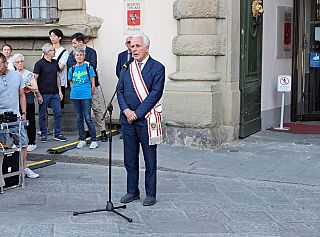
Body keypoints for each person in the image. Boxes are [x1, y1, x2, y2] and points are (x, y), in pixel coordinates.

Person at [117, 35, 165, 206]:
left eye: (138, 46)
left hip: (146, 120)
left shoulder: (158, 68)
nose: (134, 49)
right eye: (132, 46)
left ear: (146, 48)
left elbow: (155, 94)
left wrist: (137, 113)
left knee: (149, 159)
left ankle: (150, 193)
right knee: (129, 158)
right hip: (127, 120)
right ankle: (132, 191)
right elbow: (119, 90)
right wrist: (125, 110)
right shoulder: (126, 67)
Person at [0, 53, 39, 178]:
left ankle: (24, 168)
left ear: (6, 63)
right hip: (0, 116)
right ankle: (4, 172)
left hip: (15, 115)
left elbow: (22, 95)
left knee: (23, 142)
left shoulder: (17, 76)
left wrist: (23, 113)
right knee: (3, 145)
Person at [67, 32, 108, 142]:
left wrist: (82, 63)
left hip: (92, 85)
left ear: (81, 42)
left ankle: (103, 130)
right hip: (79, 87)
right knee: (84, 111)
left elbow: (93, 66)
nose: (73, 45)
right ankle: (86, 131)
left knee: (96, 108)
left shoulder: (91, 52)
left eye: (74, 43)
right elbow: (71, 66)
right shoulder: (72, 53)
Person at [33, 43, 67, 143]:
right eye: (53, 50)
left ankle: (57, 133)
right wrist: (38, 94)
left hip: (55, 93)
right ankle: (43, 134)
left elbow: (57, 76)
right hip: (43, 93)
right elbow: (34, 79)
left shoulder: (55, 62)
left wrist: (60, 91)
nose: (55, 51)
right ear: (47, 52)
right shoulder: (39, 63)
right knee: (42, 115)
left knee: (58, 113)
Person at [68, 48, 98, 149]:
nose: (79, 57)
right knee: (78, 118)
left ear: (84, 56)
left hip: (86, 95)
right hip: (75, 95)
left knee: (88, 117)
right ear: (74, 56)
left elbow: (92, 80)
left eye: (81, 55)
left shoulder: (88, 67)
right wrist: (75, 90)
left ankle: (94, 139)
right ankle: (82, 139)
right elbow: (71, 81)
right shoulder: (71, 69)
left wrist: (91, 90)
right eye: (77, 55)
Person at [12, 53, 39, 152]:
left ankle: (32, 141)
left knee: (30, 120)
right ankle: (16, 141)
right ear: (14, 64)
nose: (20, 63)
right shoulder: (12, 73)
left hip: (28, 98)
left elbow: (35, 88)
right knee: (15, 121)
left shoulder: (29, 74)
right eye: (17, 62)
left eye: (21, 61)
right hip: (15, 99)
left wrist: (25, 86)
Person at [49, 28, 69, 110]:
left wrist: (49, 65)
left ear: (59, 38)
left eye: (54, 36)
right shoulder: (46, 50)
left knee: (58, 106)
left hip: (60, 82)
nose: (52, 38)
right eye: (51, 36)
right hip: (48, 81)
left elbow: (61, 67)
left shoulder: (64, 52)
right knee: (46, 105)